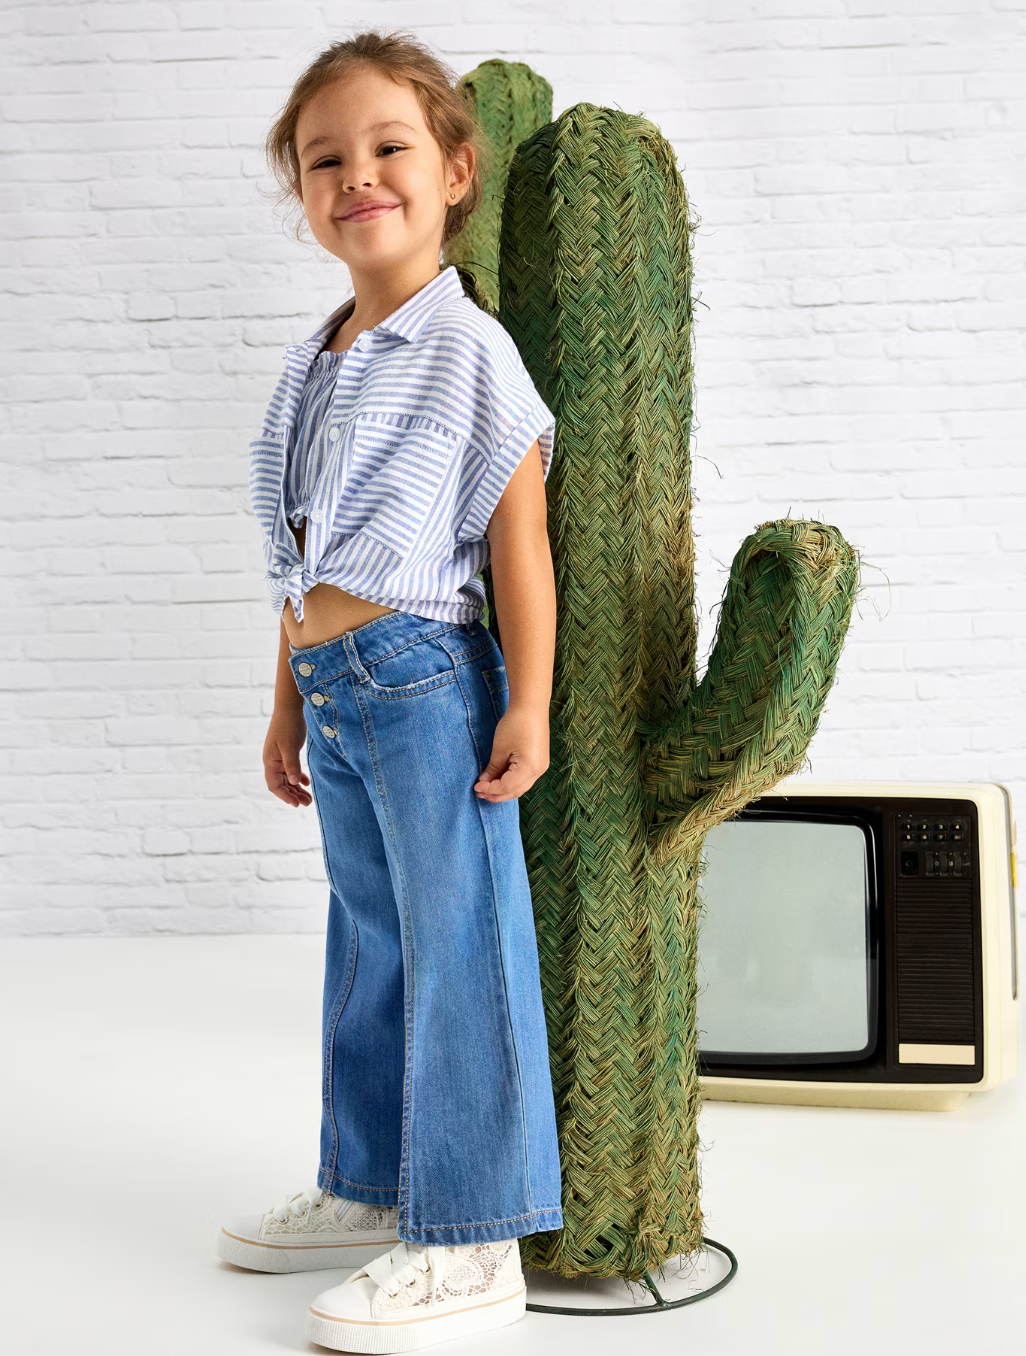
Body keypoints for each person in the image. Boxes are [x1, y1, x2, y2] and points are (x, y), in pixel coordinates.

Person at [217, 28, 564, 1354]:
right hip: (338, 683)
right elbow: (298, 547)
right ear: (303, 197)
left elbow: (515, 538)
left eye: (387, 148)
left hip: (425, 682)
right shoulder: (319, 357)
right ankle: (368, 1185)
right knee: (371, 947)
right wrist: (287, 693)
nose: (355, 175)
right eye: (324, 160)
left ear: (454, 171)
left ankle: (471, 1237)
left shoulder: (465, 349)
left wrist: (523, 701)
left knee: (459, 953)